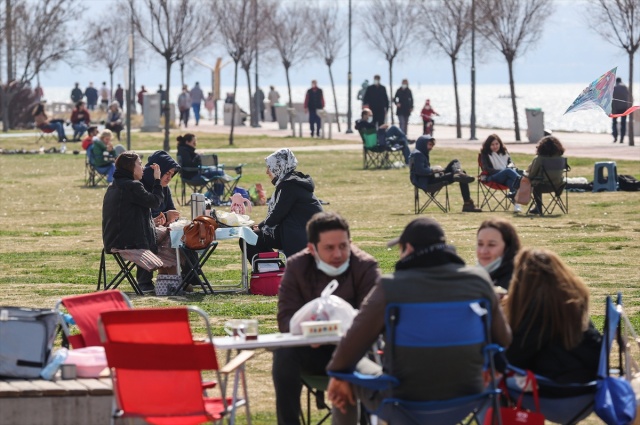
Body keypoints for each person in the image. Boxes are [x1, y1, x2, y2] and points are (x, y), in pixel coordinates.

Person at [326, 217, 512, 415]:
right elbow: (503, 338)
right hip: (468, 397)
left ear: (408, 249)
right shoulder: (479, 280)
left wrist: (338, 374)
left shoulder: (391, 286)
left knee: (347, 368)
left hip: (403, 400)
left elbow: (353, 342)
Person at [274, 211, 380, 425]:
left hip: (356, 353)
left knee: (370, 371)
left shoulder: (365, 266)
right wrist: (313, 333)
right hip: (311, 351)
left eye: (343, 246)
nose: (338, 254)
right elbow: (285, 320)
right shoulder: (296, 266)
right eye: (329, 248)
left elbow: (374, 321)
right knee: (284, 356)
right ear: (312, 249)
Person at [505, 248, 602, 394]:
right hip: (590, 386)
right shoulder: (574, 301)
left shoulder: (538, 311)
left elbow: (514, 357)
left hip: (553, 389)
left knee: (497, 377)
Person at [102, 151, 177, 295]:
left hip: (113, 239)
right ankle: (164, 281)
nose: (142, 168)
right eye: (139, 164)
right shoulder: (132, 186)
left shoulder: (115, 185)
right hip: (127, 242)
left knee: (160, 232)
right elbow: (155, 202)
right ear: (130, 167)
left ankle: (167, 280)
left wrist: (152, 222)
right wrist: (157, 181)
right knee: (171, 236)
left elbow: (128, 217)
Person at [243, 148, 323, 262]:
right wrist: (261, 226)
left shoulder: (289, 185)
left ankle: (272, 271)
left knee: (248, 237)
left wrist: (261, 226)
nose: (267, 172)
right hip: (299, 230)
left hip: (300, 234)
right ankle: (273, 269)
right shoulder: (293, 181)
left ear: (279, 167)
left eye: (270, 168)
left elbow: (277, 214)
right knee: (250, 233)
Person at [138, 150, 182, 293]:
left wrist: (171, 218)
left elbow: (171, 210)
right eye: (167, 173)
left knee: (185, 234)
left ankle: (188, 276)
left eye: (171, 174)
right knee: (152, 236)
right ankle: (145, 281)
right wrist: (160, 218)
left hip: (162, 230)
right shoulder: (139, 186)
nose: (169, 178)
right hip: (141, 231)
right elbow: (140, 214)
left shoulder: (165, 189)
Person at [409, 135, 482, 212]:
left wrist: (437, 170)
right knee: (462, 175)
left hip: (431, 178)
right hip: (428, 183)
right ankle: (467, 204)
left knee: (455, 162)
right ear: (423, 144)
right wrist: (433, 170)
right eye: (430, 144)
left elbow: (421, 169)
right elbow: (420, 171)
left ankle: (458, 173)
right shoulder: (418, 154)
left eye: (432, 145)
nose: (431, 148)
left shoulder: (419, 153)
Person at [480, 134, 523, 212]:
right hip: (492, 177)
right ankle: (522, 182)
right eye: (492, 144)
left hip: (505, 177)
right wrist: (503, 172)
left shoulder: (504, 153)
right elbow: (486, 169)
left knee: (511, 181)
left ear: (500, 144)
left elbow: (511, 164)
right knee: (508, 171)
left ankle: (517, 205)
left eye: (497, 144)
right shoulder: (485, 154)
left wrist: (507, 170)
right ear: (488, 145)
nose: (495, 146)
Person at [476, 218, 521, 291]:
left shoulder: (517, 281)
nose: (483, 251)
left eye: (491, 245)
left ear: (508, 247)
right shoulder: (472, 278)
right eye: (480, 244)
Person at [525, 135, 566, 215]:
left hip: (543, 186)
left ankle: (538, 207)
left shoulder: (540, 158)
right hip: (558, 185)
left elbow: (532, 174)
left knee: (534, 185)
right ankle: (537, 207)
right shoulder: (561, 159)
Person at [612, 77, 630, 144]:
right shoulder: (625, 87)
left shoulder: (614, 88)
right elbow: (629, 97)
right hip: (624, 108)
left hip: (615, 109)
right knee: (623, 123)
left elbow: (611, 99)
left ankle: (615, 137)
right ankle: (622, 138)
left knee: (614, 123)